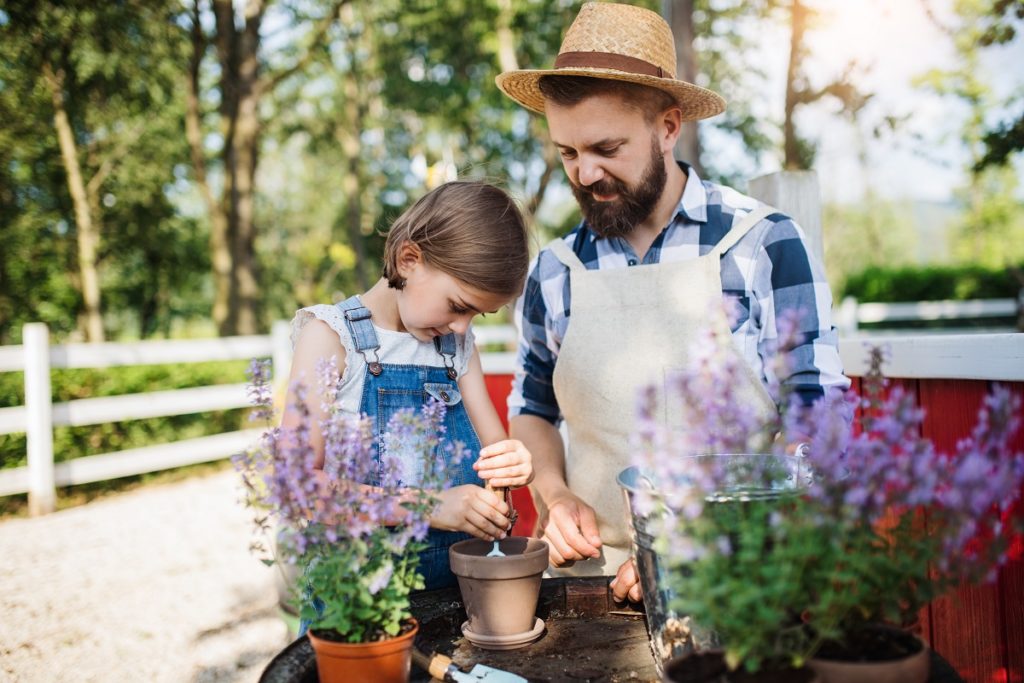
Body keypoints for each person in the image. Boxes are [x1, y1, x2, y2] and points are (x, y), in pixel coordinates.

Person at [495, 2, 850, 603]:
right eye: (567, 153)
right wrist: (553, 497)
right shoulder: (555, 271)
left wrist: (719, 543)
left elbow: (817, 420)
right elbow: (532, 409)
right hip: (590, 586)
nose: (584, 174)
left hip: (743, 581)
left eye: (606, 147)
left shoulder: (765, 245)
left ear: (667, 126)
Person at [281, 180, 535, 592]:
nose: (461, 327)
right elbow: (297, 488)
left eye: (477, 316)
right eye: (458, 306)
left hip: (455, 592)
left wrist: (513, 467)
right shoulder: (329, 337)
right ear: (408, 259)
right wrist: (427, 506)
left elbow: (495, 464)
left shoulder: (457, 350)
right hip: (357, 600)